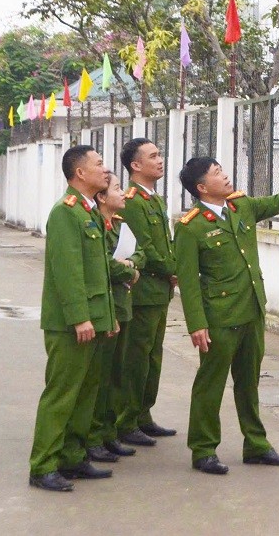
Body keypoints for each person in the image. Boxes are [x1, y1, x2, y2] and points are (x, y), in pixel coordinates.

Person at [175, 154, 279, 475]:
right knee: (211, 384)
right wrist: (197, 324)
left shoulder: (241, 206)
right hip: (219, 319)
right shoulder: (191, 227)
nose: (226, 177)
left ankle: (256, 445)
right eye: (218, 174)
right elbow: (188, 281)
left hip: (251, 311)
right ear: (203, 187)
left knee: (248, 383)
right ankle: (203, 450)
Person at [28, 145, 118, 492]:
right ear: (80, 173)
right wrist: (80, 318)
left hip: (93, 319)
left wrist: (106, 318)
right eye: (98, 164)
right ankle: (43, 466)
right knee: (62, 393)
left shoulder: (89, 210)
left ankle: (73, 456)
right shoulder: (66, 212)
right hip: (71, 324)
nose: (105, 170)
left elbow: (98, 273)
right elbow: (68, 272)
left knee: (86, 393)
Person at [116, 138, 177, 446]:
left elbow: (164, 242)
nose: (160, 160)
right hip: (143, 289)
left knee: (153, 356)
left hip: (160, 289)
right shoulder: (133, 201)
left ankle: (143, 414)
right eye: (153, 156)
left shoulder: (154, 199)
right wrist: (173, 269)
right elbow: (147, 247)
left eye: (159, 154)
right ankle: (125, 420)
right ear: (135, 165)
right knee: (136, 357)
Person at [86, 172, 143, 463]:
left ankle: (109, 434)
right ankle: (93, 437)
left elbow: (141, 252)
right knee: (101, 377)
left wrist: (130, 264)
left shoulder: (120, 225)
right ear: (101, 197)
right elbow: (103, 266)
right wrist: (128, 271)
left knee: (117, 375)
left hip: (123, 306)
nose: (125, 194)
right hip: (108, 308)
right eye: (118, 189)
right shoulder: (95, 226)